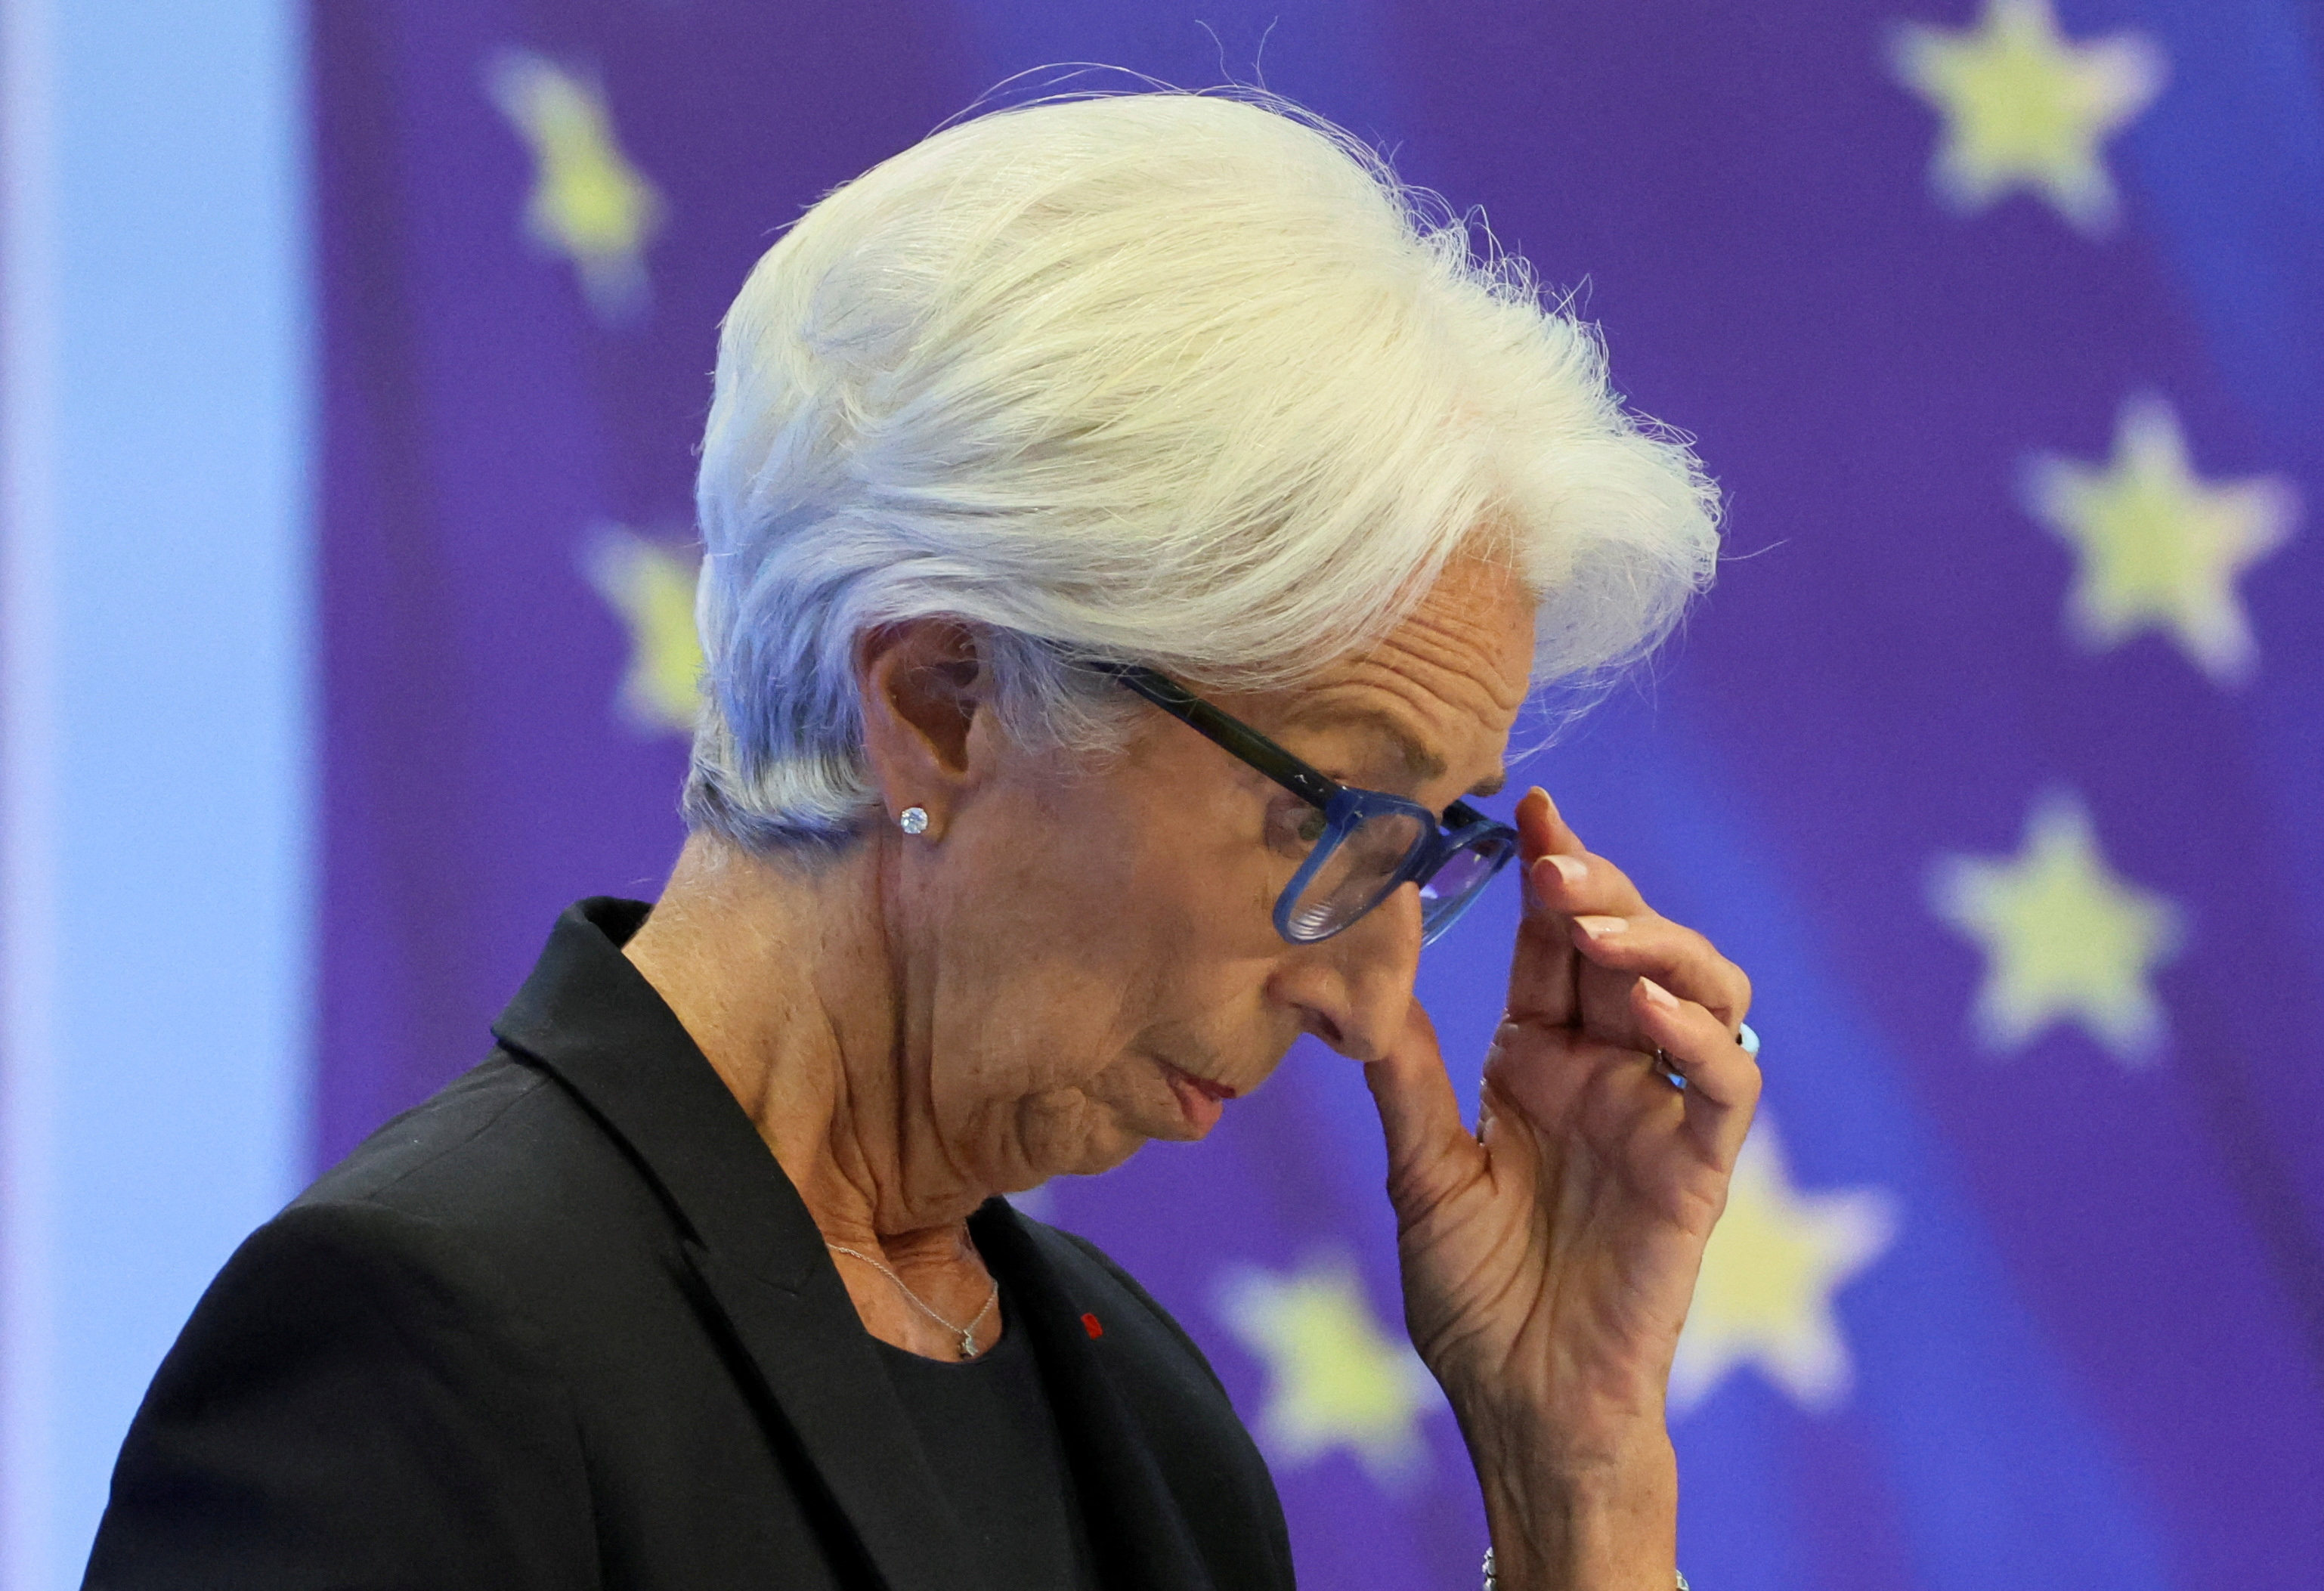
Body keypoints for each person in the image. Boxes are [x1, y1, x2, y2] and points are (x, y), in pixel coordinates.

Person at [85, 89, 1754, 1591]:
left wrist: (1571, 1485)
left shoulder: (1143, 1421)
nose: (1370, 998)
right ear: (948, 699)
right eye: (1322, 810)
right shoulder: (423, 1339)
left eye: (1422, 849)